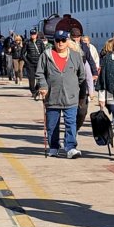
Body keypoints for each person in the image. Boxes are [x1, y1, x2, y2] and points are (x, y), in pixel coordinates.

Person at [37, 30, 87, 159]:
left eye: (63, 40)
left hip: (71, 97)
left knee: (71, 123)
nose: (60, 43)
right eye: (58, 40)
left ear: (67, 41)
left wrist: (76, 89)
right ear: (54, 41)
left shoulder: (75, 56)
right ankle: (54, 147)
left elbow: (82, 76)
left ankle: (70, 147)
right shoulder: (46, 55)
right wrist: (43, 86)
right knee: (52, 124)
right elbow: (40, 73)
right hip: (52, 96)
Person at [24, 29, 44, 99]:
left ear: (36, 34)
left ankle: (36, 90)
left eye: (34, 34)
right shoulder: (27, 42)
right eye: (32, 34)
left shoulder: (40, 42)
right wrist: (27, 62)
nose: (33, 35)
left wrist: (42, 61)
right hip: (30, 64)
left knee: (39, 79)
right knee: (31, 78)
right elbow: (22, 54)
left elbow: (43, 52)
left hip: (39, 63)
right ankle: (33, 92)